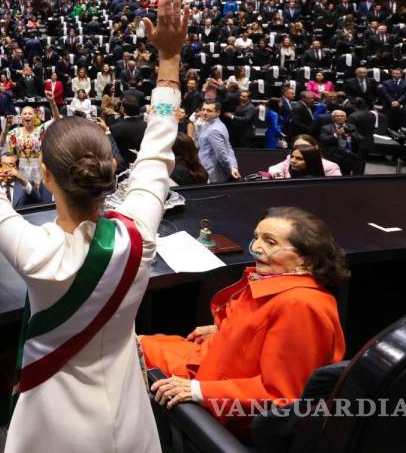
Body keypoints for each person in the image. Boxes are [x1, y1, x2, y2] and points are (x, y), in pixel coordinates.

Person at [0, 0, 185, 452]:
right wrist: (169, 60)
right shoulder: (139, 234)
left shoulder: (33, 249)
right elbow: (159, 146)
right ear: (109, 168)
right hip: (128, 412)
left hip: (55, 427)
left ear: (44, 175)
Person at [142, 207, 349, 437]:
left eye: (270, 242)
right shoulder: (280, 286)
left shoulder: (301, 306)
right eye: (257, 237)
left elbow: (281, 397)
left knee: (129, 353)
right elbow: (262, 330)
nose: (257, 248)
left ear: (306, 259)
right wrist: (225, 329)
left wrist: (197, 391)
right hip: (211, 362)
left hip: (223, 400)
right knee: (134, 343)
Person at [195, 101, 240, 183]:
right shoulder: (217, 124)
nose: (204, 113)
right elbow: (228, 148)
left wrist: (231, 169)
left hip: (211, 174)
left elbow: (221, 155)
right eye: (203, 109)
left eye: (209, 111)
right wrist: (233, 166)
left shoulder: (214, 130)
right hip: (207, 170)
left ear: (218, 112)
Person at [267, 134, 343, 178]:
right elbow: (274, 168)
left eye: (304, 147)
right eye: (296, 147)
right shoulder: (290, 158)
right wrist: (278, 177)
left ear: (315, 148)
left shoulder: (330, 166)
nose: (299, 150)